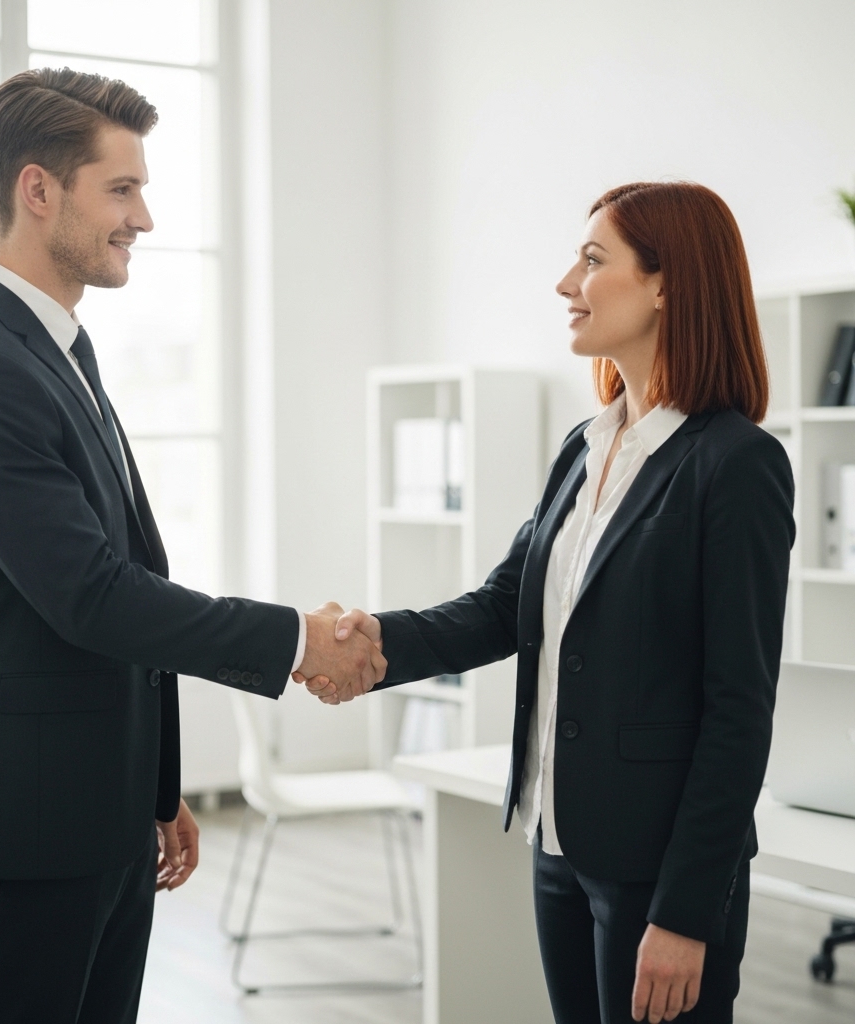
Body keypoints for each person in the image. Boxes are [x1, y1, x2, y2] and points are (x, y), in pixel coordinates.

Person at [0, 68, 382, 1024]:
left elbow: (117, 586)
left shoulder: (58, 350)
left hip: (96, 814)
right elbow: (94, 596)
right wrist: (298, 643)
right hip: (22, 829)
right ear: (40, 191)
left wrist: (149, 791)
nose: (144, 218)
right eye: (122, 189)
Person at [299, 181, 795, 1023]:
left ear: (667, 283)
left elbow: (739, 709)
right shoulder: (587, 443)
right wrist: (377, 640)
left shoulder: (735, 465)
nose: (567, 283)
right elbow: (505, 606)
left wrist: (685, 911)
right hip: (558, 843)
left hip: (658, 870)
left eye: (593, 261)